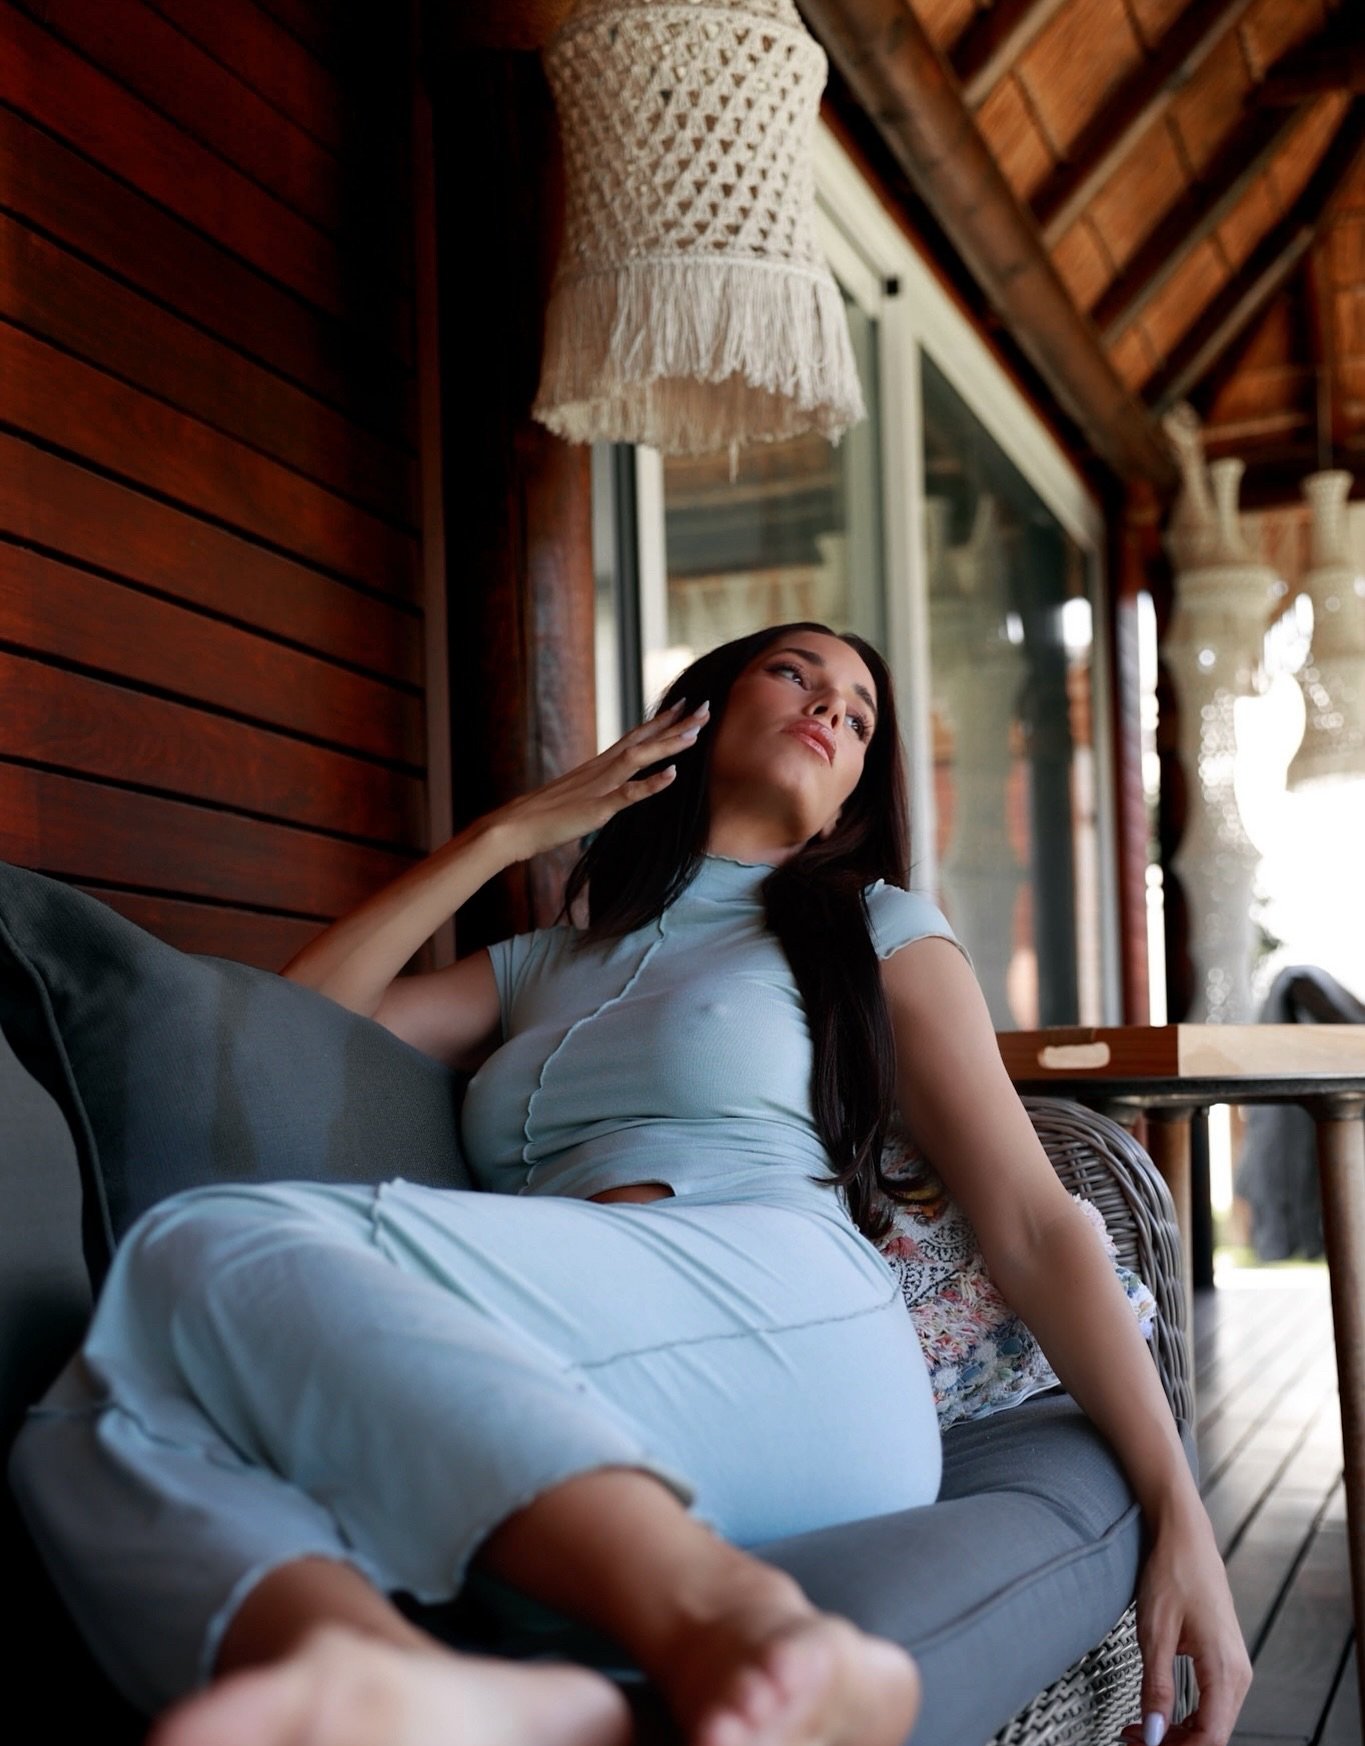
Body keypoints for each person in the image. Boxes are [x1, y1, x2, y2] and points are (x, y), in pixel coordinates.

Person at [10, 624, 1250, 1746]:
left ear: (847, 801)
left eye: (861, 715)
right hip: (567, 1352)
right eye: (795, 673)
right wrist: (507, 834)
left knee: (196, 1249)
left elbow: (1032, 1223)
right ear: (695, 717)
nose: (833, 706)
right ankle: (404, 1692)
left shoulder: (876, 931)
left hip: (794, 1328)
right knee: (85, 1425)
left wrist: (1179, 1510)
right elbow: (284, 1031)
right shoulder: (542, 965)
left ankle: (733, 1620)